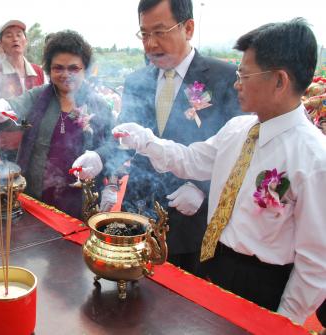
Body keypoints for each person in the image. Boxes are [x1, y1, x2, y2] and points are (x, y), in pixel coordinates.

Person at [104, 18, 326, 325]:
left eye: (245, 75)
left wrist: (284, 322)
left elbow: (317, 261)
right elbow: (192, 161)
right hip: (214, 262)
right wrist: (147, 141)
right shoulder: (238, 129)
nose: (236, 84)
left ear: (279, 81)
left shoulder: (314, 158)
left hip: (264, 284)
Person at [73, 0, 241, 274]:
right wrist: (99, 157)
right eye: (145, 34)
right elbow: (124, 137)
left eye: (160, 32)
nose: (151, 44)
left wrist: (204, 190)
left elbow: (238, 151)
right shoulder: (138, 80)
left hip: (189, 217)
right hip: (138, 210)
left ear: (188, 28)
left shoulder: (223, 78)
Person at [0, 30, 113, 219]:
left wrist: (100, 158)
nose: (65, 74)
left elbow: (115, 145)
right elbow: (15, 108)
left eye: (73, 68)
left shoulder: (99, 104)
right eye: (58, 68)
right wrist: (1, 111)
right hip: (38, 194)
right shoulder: (38, 96)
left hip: (82, 197)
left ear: (85, 68)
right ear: (49, 69)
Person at [0, 19, 45, 162]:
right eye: (8, 35)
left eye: (19, 34)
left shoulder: (41, 73)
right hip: (7, 152)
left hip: (36, 149)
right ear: (0, 44)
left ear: (26, 41)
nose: (15, 39)